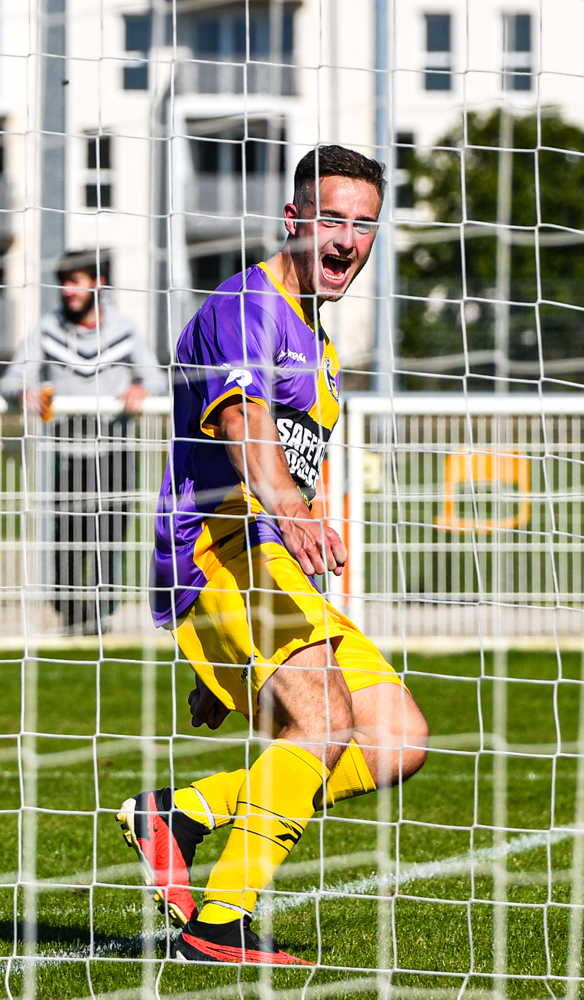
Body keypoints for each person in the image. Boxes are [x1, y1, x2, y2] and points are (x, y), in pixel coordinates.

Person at [117, 145, 429, 965]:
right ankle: (218, 926)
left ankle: (181, 814)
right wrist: (289, 509)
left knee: (397, 739)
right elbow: (242, 422)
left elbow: (292, 458)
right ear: (294, 221)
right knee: (324, 720)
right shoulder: (245, 304)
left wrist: (219, 658)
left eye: (364, 224)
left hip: (267, 567)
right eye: (331, 218)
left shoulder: (322, 351)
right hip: (217, 551)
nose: (347, 239)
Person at [0, 250, 166, 634]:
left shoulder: (124, 329)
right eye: (64, 281)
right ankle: (71, 615)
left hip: (115, 453)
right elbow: (10, 380)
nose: (67, 290)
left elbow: (156, 378)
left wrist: (140, 388)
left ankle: (100, 615)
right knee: (68, 539)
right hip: (67, 454)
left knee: (110, 537)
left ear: (98, 284)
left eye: (76, 280)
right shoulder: (47, 330)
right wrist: (24, 391)